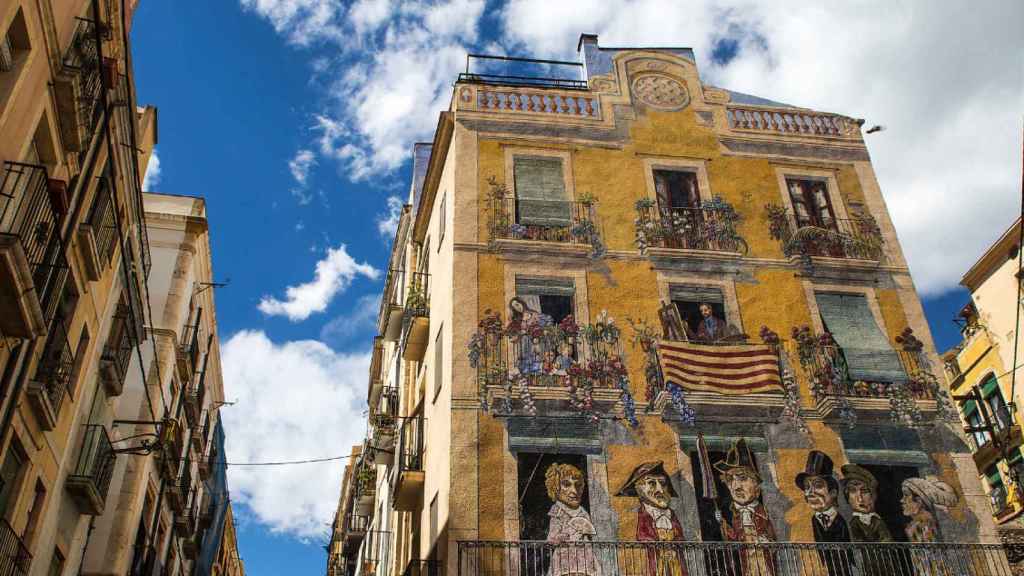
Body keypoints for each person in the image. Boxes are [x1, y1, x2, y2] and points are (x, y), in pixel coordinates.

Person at [714, 439, 776, 576]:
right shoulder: (733, 514)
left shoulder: (763, 512)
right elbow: (733, 537)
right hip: (745, 562)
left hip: (763, 561)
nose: (736, 486)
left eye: (742, 478)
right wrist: (722, 523)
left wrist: (767, 541)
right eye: (730, 480)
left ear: (756, 486)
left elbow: (771, 535)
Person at [616, 461, 688, 576]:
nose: (660, 489)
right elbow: (642, 535)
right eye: (652, 483)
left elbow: (679, 534)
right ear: (640, 490)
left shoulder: (671, 514)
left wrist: (676, 544)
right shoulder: (644, 513)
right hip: (658, 557)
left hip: (675, 557)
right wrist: (657, 545)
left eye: (663, 483)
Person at [796, 451, 853, 576]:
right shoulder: (810, 521)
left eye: (818, 486)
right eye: (807, 487)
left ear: (832, 493)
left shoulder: (840, 521)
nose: (810, 493)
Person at [546, 463, 602, 576]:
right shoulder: (558, 510)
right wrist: (561, 537)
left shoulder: (583, 512)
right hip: (565, 559)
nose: (574, 491)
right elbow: (551, 539)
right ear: (556, 488)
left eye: (577, 485)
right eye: (567, 484)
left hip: (585, 558)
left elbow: (590, 534)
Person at [840, 464, 891, 576]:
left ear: (873, 496)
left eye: (864, 491)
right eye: (853, 491)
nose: (860, 498)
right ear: (848, 498)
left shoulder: (877, 520)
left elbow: (886, 539)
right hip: (866, 565)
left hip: (885, 565)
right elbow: (857, 542)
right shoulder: (854, 522)